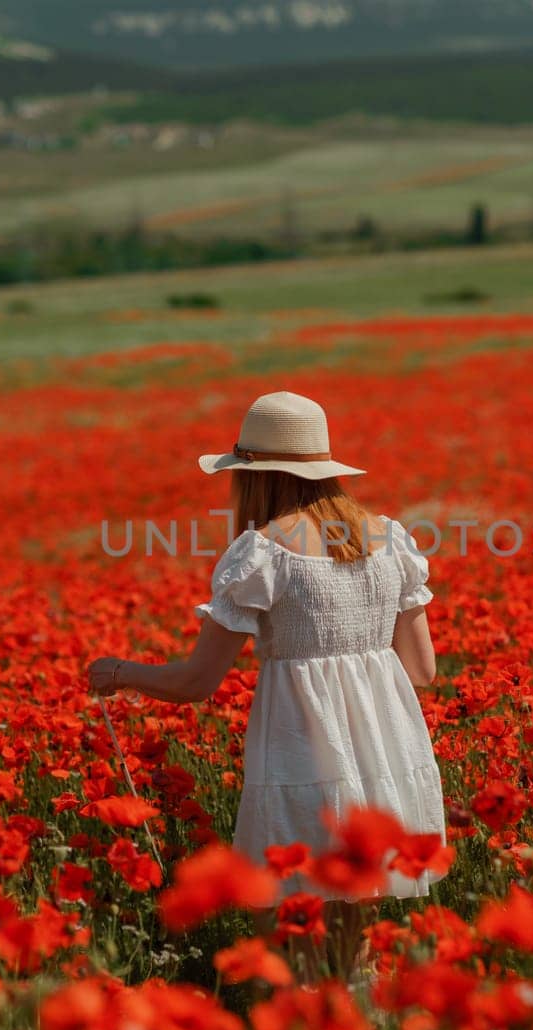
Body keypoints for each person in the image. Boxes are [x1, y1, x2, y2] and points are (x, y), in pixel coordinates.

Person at [87, 390, 446, 979]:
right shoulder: (391, 541)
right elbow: (423, 673)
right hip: (387, 756)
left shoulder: (263, 554)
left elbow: (197, 682)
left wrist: (120, 674)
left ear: (255, 477)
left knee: (294, 941)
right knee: (354, 950)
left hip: (300, 758)